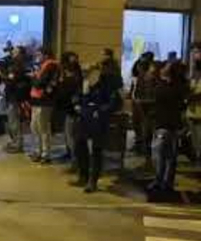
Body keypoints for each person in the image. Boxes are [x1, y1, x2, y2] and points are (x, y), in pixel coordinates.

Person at [72, 59, 123, 193]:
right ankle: (83, 175)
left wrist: (100, 111)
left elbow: (115, 102)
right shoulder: (84, 83)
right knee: (79, 146)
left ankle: (92, 180)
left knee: (95, 150)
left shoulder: (108, 83)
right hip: (83, 118)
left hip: (98, 120)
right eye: (84, 72)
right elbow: (77, 96)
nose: (86, 74)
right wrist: (77, 103)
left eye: (88, 72)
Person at [148, 61, 189, 202]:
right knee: (170, 158)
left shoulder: (163, 87)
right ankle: (167, 183)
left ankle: (159, 181)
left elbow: (155, 96)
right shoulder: (179, 87)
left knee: (158, 155)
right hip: (173, 127)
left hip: (163, 126)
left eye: (165, 68)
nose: (161, 69)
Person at [30, 47, 60, 164]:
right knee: (35, 127)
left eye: (39, 54)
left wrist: (33, 78)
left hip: (45, 101)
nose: (38, 57)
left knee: (43, 128)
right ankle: (38, 151)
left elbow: (40, 83)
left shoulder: (51, 66)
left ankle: (45, 154)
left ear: (46, 55)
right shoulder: (43, 66)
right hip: (37, 100)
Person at [2, 47, 31, 153]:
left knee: (14, 121)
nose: (12, 53)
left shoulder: (19, 65)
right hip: (12, 96)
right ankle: (15, 142)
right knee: (12, 121)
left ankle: (18, 144)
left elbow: (13, 80)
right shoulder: (14, 64)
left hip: (15, 97)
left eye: (14, 51)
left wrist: (4, 77)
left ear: (19, 54)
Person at [58, 52, 83, 170]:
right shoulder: (72, 76)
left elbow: (73, 92)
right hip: (67, 108)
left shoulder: (74, 77)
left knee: (71, 136)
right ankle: (71, 156)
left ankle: (76, 162)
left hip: (72, 109)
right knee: (68, 134)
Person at [131, 52, 155, 153]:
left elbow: (148, 93)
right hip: (139, 103)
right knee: (138, 125)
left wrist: (140, 100)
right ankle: (140, 145)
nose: (137, 68)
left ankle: (144, 148)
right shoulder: (140, 76)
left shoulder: (148, 77)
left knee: (145, 126)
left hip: (144, 105)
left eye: (139, 67)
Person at [188, 42, 201, 164]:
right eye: (193, 52)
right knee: (195, 137)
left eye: (196, 52)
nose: (194, 55)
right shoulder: (194, 71)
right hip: (192, 111)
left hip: (198, 110)